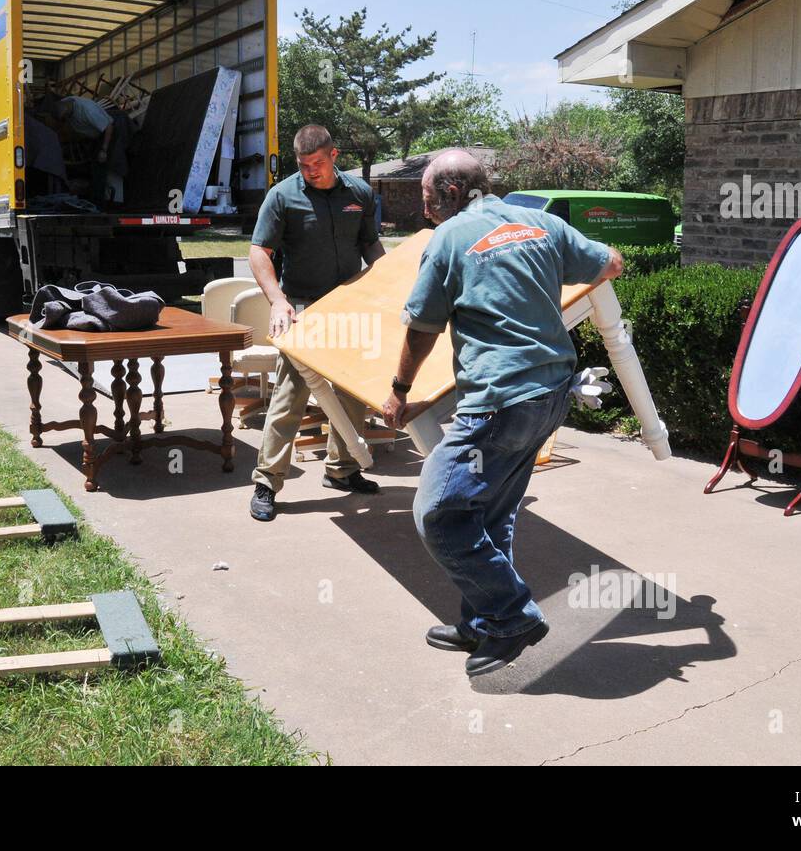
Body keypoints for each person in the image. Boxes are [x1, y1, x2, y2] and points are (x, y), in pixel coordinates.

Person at [381, 149, 623, 677]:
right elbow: (610, 263)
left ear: (448, 194)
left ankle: (512, 616)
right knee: (491, 514)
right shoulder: (542, 223)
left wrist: (399, 391)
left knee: (439, 514)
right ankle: (483, 624)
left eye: (426, 201)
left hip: (499, 403)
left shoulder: (448, 238)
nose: (425, 213)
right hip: (551, 395)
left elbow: (422, 326)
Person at [248, 125, 387, 522]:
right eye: (303, 165)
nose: (310, 171)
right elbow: (260, 251)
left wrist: (387, 282)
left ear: (335, 155)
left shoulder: (359, 194)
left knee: (350, 393)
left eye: (318, 164)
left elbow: (369, 245)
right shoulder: (283, 196)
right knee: (290, 396)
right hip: (302, 308)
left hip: (348, 305)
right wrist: (277, 301)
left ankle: (341, 470)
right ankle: (267, 481)